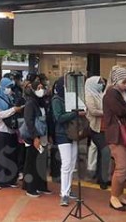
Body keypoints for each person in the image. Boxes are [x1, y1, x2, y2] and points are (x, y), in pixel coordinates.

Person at [103, 67, 126, 212]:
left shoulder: (120, 93)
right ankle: (114, 197)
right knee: (121, 168)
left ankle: (120, 195)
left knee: (125, 168)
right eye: (124, 82)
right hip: (117, 135)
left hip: (123, 134)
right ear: (116, 81)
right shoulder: (112, 94)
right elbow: (121, 111)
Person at [51, 76, 83, 206]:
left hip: (72, 134)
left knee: (71, 164)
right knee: (66, 164)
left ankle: (68, 190)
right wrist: (76, 113)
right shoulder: (56, 100)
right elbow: (59, 117)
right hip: (63, 135)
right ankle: (64, 193)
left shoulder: (69, 98)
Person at [0, 77, 22, 191]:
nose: (9, 89)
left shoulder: (10, 98)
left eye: (11, 87)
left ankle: (9, 180)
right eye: (7, 87)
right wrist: (13, 110)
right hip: (1, 130)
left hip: (11, 130)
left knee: (10, 156)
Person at [22, 75, 51, 197]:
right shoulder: (30, 103)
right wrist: (35, 137)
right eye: (37, 88)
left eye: (41, 87)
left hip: (43, 135)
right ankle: (30, 187)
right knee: (32, 162)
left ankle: (41, 185)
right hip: (33, 136)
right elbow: (29, 121)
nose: (40, 90)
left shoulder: (42, 103)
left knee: (41, 162)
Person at [84, 76, 110, 189]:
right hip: (95, 128)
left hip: (103, 128)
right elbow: (93, 111)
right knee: (105, 151)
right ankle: (103, 179)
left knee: (101, 153)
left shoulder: (99, 94)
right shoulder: (89, 95)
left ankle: (101, 178)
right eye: (99, 82)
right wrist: (106, 112)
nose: (102, 84)